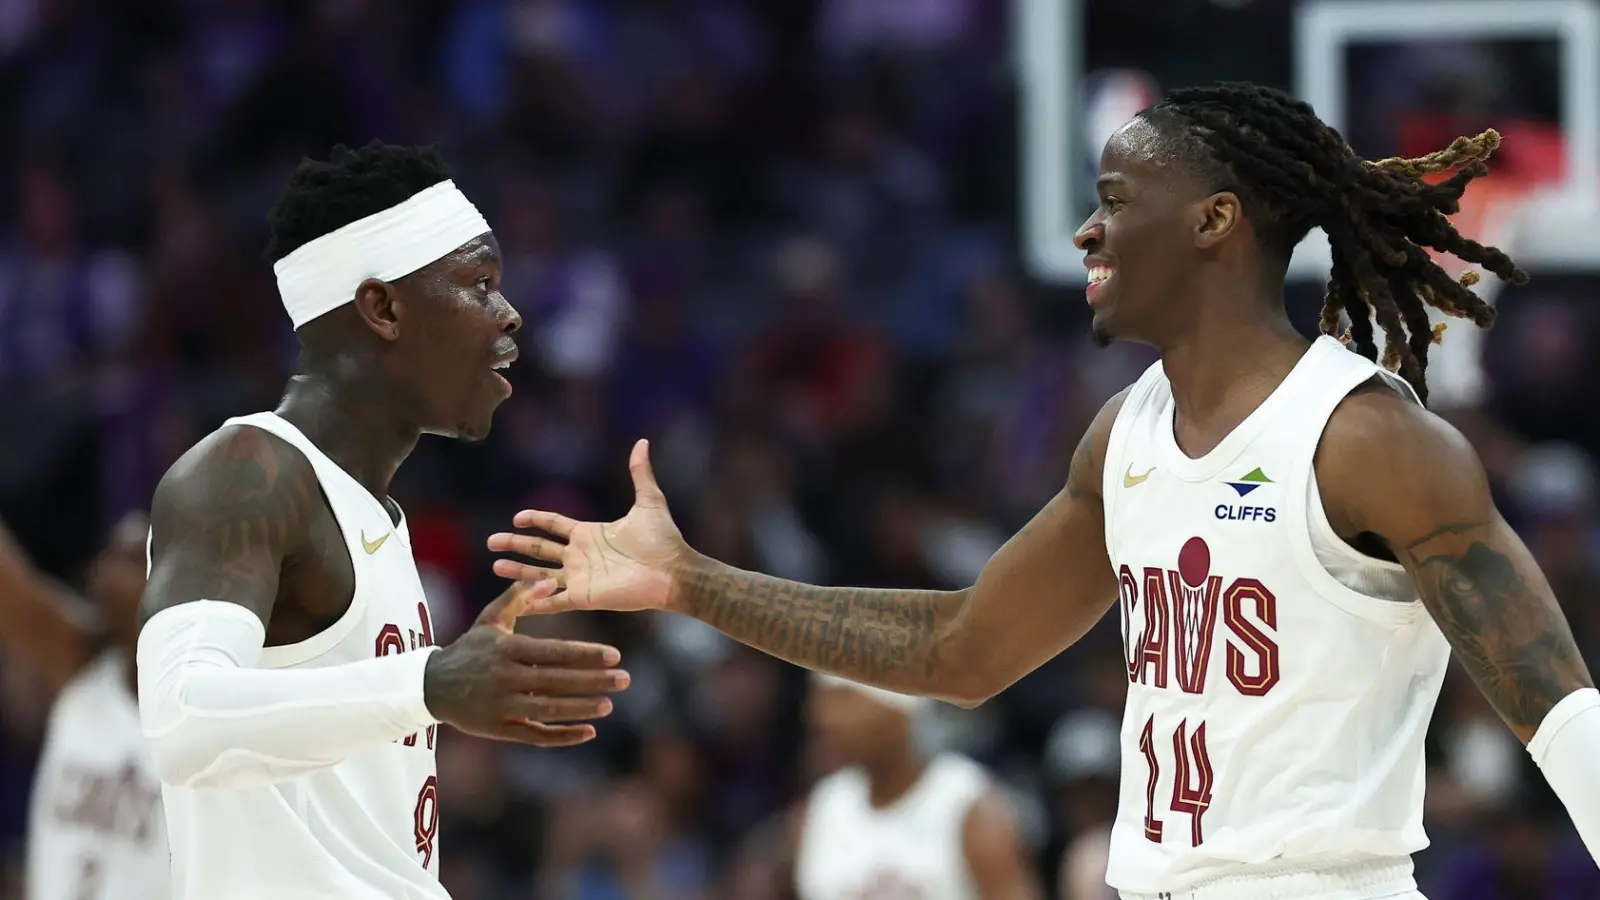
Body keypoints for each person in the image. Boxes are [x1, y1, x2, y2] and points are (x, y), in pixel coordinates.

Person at [488, 83, 1600, 900]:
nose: (1085, 229)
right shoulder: (1125, 434)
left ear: (1215, 220)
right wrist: (690, 584)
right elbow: (961, 651)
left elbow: (1552, 699)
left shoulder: (1366, 437)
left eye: (1115, 199)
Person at [135, 141, 631, 900]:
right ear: (383, 308)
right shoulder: (245, 474)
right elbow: (180, 724)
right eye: (480, 283)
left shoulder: (378, 516)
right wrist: (429, 683)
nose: (510, 312)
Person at [0, 512, 166, 900]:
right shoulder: (84, 669)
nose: (103, 572)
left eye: (128, 559)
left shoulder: (217, 716)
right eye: (106, 554)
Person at [784, 674, 1041, 900]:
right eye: (821, 700)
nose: (824, 717)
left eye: (845, 699)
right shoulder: (816, 815)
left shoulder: (970, 809)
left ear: (900, 709)